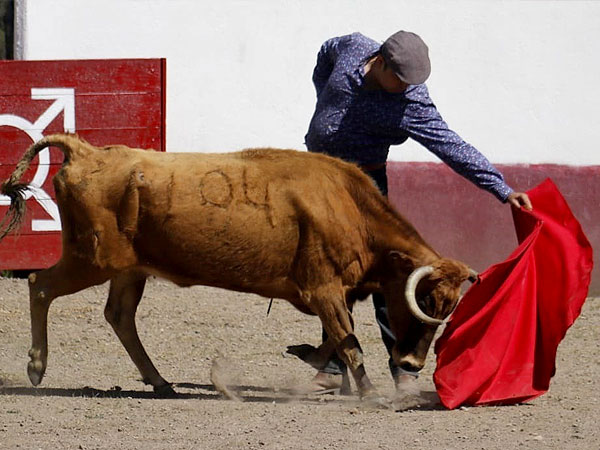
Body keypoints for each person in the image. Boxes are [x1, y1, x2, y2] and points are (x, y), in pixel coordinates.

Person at [299, 30, 532, 395]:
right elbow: (325, 51)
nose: (408, 87)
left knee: (384, 270)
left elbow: (450, 144)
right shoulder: (352, 48)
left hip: (365, 184)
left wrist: (501, 189)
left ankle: (403, 366)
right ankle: (332, 366)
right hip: (318, 177)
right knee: (330, 268)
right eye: (401, 80)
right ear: (381, 63)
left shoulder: (410, 102)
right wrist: (321, 100)